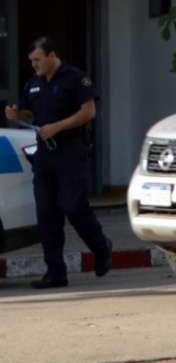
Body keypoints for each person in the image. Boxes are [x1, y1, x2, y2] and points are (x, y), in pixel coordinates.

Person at [3, 37, 111, 289]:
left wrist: (57, 127)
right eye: (31, 61)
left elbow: (89, 112)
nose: (34, 65)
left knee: (73, 206)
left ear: (52, 55)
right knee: (46, 214)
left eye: (38, 59)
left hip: (71, 152)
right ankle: (55, 273)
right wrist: (15, 114)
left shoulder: (74, 78)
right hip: (44, 156)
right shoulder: (33, 84)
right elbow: (29, 113)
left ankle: (101, 247)